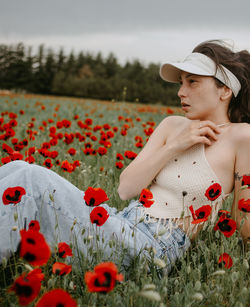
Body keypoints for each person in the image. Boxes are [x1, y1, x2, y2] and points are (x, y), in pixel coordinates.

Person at [0, 40, 249, 274]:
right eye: (181, 83)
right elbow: (126, 188)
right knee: (17, 167)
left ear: (224, 90)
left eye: (192, 82)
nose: (181, 92)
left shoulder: (241, 137)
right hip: (121, 223)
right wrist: (174, 146)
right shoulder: (172, 126)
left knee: (29, 177)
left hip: (152, 248)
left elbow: (245, 220)